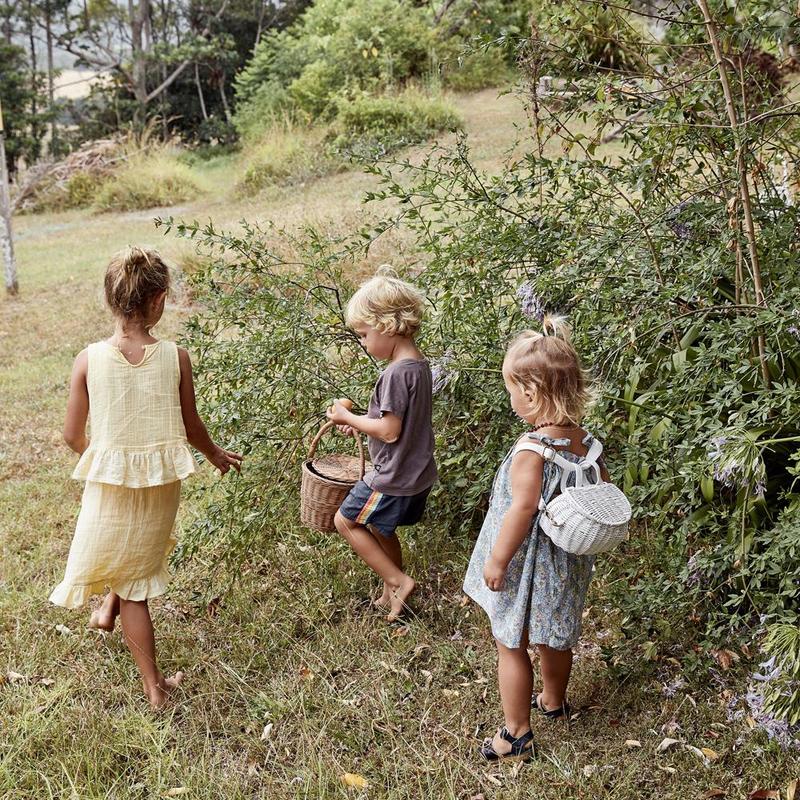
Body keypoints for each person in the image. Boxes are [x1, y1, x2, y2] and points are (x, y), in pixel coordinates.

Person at [50, 246, 242, 709]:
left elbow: (71, 435)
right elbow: (192, 426)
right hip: (161, 484)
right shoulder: (177, 357)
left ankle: (106, 612)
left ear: (110, 300)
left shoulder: (88, 359)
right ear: (158, 301)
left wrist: (106, 459)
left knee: (128, 554)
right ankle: (155, 690)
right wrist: (215, 454)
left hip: (109, 485)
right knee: (137, 579)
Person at [462, 316, 610, 762]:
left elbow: (521, 510)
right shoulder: (587, 444)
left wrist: (497, 560)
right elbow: (599, 490)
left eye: (512, 390)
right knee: (556, 637)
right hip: (566, 560)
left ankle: (516, 734)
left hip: (527, 564)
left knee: (512, 641)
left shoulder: (531, 451)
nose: (511, 398)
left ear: (530, 393)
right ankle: (553, 700)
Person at [327, 269, 437, 623]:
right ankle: (392, 591)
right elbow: (399, 426)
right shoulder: (417, 365)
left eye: (363, 334)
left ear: (387, 326)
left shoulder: (394, 374)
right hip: (416, 472)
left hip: (392, 476)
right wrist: (364, 425)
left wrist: (348, 418)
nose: (362, 342)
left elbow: (389, 431)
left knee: (345, 521)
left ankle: (398, 580)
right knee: (381, 526)